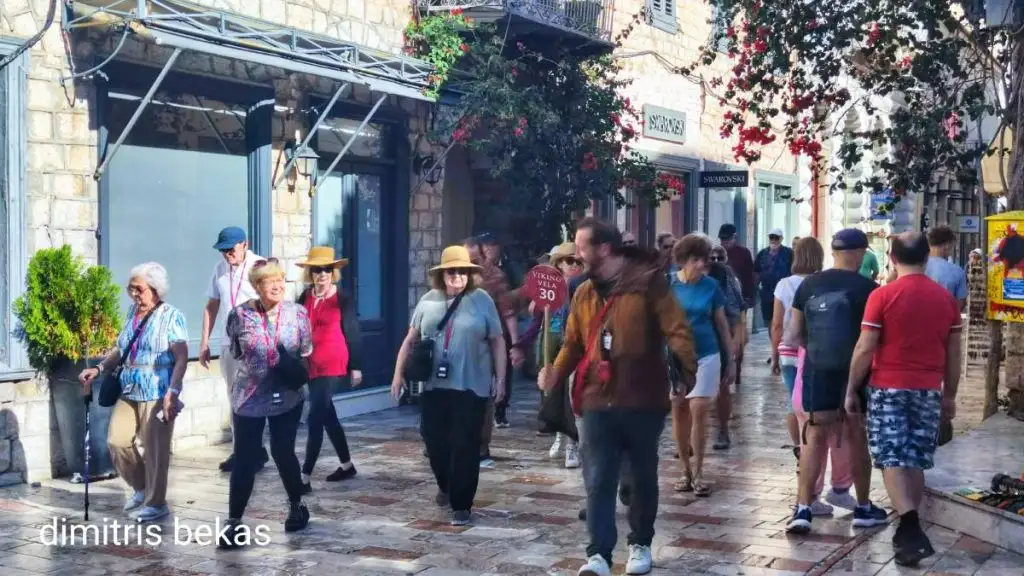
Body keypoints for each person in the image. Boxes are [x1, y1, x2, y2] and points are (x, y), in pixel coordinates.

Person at [537, 218, 697, 576]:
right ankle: (598, 555)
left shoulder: (650, 284)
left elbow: (678, 330)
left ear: (604, 249)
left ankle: (640, 543)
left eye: (581, 248)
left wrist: (687, 373)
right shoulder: (582, 292)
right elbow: (574, 343)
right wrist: (555, 373)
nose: (576, 256)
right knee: (598, 478)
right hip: (596, 397)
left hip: (642, 397)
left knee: (639, 476)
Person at [847, 231, 962, 566]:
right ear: (927, 258)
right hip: (928, 389)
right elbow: (953, 354)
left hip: (888, 387)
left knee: (891, 457)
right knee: (912, 459)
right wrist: (950, 395)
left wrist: (851, 387)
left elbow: (865, 347)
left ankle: (910, 525)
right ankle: (907, 534)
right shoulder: (945, 300)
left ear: (892, 258)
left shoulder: (883, 296)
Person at [392, 246, 506, 527]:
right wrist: (398, 374)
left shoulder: (482, 301)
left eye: (462, 271)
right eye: (451, 271)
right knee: (433, 442)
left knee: (465, 444)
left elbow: (497, 341)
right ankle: (445, 484)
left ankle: (461, 504)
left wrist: (500, 378)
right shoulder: (428, 301)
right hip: (433, 385)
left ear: (470, 274)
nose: (457, 276)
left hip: (471, 385)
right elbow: (411, 339)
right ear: (442, 275)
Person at [783, 228, 888, 534]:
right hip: (854, 373)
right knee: (857, 436)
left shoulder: (808, 285)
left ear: (834, 252)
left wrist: (815, 351)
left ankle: (803, 508)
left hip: (818, 370)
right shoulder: (869, 289)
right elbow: (873, 340)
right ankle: (864, 507)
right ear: (859, 253)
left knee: (813, 438)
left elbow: (794, 334)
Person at [79, 262, 188, 523]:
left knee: (155, 449)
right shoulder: (132, 312)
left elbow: (181, 358)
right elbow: (121, 348)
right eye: (130, 289)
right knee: (116, 440)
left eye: (138, 289)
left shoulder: (172, 316)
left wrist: (173, 391)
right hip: (129, 386)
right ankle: (141, 487)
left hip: (158, 388)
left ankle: (156, 502)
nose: (134, 294)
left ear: (155, 289)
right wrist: (100, 367)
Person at [218, 258, 313, 548]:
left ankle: (296, 506)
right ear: (257, 286)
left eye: (281, 280)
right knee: (245, 457)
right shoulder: (239, 315)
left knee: (283, 452)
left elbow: (305, 351)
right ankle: (234, 522)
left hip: (287, 395)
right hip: (249, 396)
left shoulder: (298, 313)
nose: (278, 285)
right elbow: (236, 351)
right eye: (270, 281)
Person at [667, 235, 736, 497]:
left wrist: (730, 360)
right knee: (678, 409)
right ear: (683, 260)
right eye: (696, 260)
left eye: (703, 260)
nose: (701, 265)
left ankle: (698, 471)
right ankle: (684, 469)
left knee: (698, 409)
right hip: (676, 357)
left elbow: (721, 325)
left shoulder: (711, 286)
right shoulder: (668, 285)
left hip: (707, 354)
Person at [199, 226, 268, 473]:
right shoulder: (219, 270)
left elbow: (272, 304)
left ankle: (252, 452)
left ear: (244, 245)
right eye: (223, 250)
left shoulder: (259, 267)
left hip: (253, 347)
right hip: (229, 345)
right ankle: (244, 452)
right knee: (234, 399)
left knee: (253, 398)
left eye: (231, 249)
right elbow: (211, 307)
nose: (227, 254)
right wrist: (205, 342)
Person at [295, 246, 363, 491]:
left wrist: (356, 366)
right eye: (317, 270)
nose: (322, 274)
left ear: (333, 273)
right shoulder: (305, 297)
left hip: (334, 362)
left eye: (326, 270)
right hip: (311, 364)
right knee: (328, 416)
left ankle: (304, 477)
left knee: (315, 416)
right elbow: (295, 326)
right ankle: (347, 466)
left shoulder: (342, 298)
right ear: (310, 273)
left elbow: (353, 332)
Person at [512, 243, 584, 469]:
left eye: (578, 261)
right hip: (549, 344)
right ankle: (560, 435)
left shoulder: (584, 288)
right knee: (551, 394)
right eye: (569, 261)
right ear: (559, 264)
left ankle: (572, 442)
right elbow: (536, 322)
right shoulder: (550, 290)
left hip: (573, 346)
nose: (574, 266)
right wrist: (520, 345)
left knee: (571, 395)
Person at [770, 237, 824, 464]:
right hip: (815, 350)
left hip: (789, 351)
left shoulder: (784, 284)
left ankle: (799, 447)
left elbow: (776, 324)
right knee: (812, 402)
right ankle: (809, 446)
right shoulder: (822, 282)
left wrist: (774, 355)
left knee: (795, 401)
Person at [474, 234, 519, 431]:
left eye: (494, 245)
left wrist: (516, 344)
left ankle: (499, 410)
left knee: (502, 371)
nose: (491, 249)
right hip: (472, 337)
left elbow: (508, 310)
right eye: (487, 246)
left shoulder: (498, 274)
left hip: (496, 332)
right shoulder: (460, 276)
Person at [707, 245, 745, 451]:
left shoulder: (724, 275)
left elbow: (737, 308)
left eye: (717, 257)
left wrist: (737, 338)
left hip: (721, 335)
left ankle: (722, 430)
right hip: (692, 338)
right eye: (710, 257)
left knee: (722, 387)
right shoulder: (679, 279)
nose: (714, 260)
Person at [718, 224, 754, 387]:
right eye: (723, 240)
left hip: (739, 302)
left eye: (728, 239)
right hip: (720, 302)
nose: (725, 243)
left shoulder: (743, 253)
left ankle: (737, 368)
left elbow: (749, 277)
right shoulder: (716, 253)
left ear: (734, 237)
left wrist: (748, 298)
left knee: (739, 337)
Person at [754, 228, 795, 328]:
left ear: (781, 239)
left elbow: (794, 270)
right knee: (769, 321)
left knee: (783, 319)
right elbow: (756, 271)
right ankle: (773, 341)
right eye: (771, 237)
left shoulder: (789, 253)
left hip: (784, 292)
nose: (773, 240)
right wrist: (755, 288)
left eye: (776, 237)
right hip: (767, 293)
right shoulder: (762, 253)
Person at [925, 225, 968, 311]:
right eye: (952, 246)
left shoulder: (915, 265)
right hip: (944, 319)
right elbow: (961, 302)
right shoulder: (957, 271)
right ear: (946, 246)